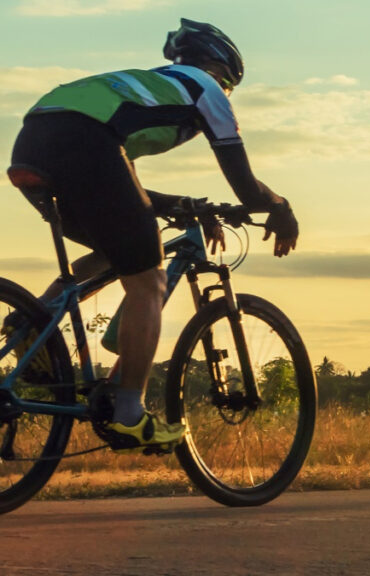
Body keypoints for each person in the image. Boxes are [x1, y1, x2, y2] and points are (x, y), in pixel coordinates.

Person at [5, 18, 299, 452]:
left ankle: (30, 320)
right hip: (85, 142)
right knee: (149, 280)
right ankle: (129, 413)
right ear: (221, 70)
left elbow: (122, 186)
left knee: (116, 251)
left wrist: (182, 204)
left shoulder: (139, 91)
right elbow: (245, 186)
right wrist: (280, 207)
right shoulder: (205, 88)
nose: (226, 93)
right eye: (230, 85)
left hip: (34, 140)